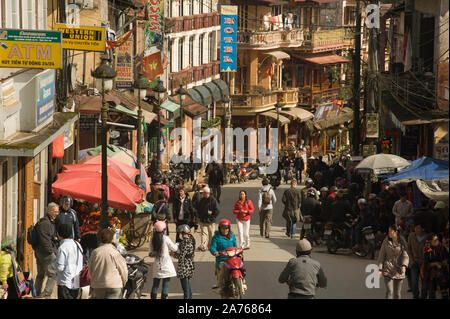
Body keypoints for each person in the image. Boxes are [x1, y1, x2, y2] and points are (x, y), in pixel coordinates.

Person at [88, 228, 128, 299]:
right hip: (114, 285)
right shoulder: (115, 252)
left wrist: (93, 283)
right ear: (112, 239)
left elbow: (90, 270)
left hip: (98, 286)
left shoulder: (95, 252)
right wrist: (124, 282)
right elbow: (123, 270)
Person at [34, 202, 60, 298]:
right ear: (49, 211)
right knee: (53, 274)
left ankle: (36, 293)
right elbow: (45, 240)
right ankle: (46, 293)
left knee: (41, 274)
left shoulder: (44, 222)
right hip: (45, 253)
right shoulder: (45, 223)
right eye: (55, 211)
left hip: (39, 251)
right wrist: (51, 252)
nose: (57, 213)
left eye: (57, 211)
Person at [377, 224, 409, 299]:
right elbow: (381, 256)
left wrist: (404, 266)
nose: (389, 233)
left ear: (396, 232)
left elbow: (405, 256)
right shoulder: (386, 241)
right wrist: (380, 269)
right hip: (388, 269)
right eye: (388, 231)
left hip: (399, 270)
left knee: (397, 294)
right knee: (389, 291)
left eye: (391, 231)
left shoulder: (402, 242)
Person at [149, 221, 179, 299]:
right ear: (163, 230)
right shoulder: (165, 238)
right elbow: (174, 248)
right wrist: (177, 244)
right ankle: (164, 297)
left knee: (155, 284)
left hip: (157, 265)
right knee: (166, 284)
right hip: (166, 264)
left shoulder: (152, 239)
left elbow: (150, 253)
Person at [54, 223, 83, 299]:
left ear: (59, 234)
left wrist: (54, 263)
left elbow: (60, 267)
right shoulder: (77, 244)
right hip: (77, 281)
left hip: (65, 282)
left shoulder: (62, 247)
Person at [209, 219, 239, 294]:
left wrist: (239, 252)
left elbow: (235, 246)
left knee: (240, 264)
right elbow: (212, 247)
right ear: (220, 229)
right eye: (223, 228)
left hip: (232, 257)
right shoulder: (216, 237)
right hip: (222, 259)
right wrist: (215, 252)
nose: (225, 230)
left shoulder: (232, 235)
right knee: (222, 270)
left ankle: (242, 282)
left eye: (226, 228)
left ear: (229, 228)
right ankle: (220, 286)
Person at [423, 234, 449, 299]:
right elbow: (426, 263)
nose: (437, 241)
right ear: (430, 242)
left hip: (442, 271)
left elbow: (447, 257)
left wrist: (445, 261)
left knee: (444, 291)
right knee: (432, 292)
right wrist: (434, 264)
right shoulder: (428, 249)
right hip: (432, 273)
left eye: (437, 239)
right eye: (435, 240)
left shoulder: (442, 247)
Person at [174, 224, 196, 299]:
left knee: (185, 289)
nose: (180, 235)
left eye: (181, 233)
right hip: (189, 266)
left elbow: (181, 256)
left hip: (184, 267)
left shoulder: (184, 242)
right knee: (188, 286)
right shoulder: (191, 240)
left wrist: (173, 254)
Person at [408, 223, 429, 299]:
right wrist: (411, 260)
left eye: (418, 228)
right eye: (415, 228)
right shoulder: (411, 236)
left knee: (424, 282)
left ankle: (423, 296)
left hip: (424, 262)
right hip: (414, 261)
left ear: (422, 229)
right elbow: (408, 249)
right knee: (414, 281)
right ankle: (415, 296)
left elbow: (428, 251)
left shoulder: (427, 238)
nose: (416, 229)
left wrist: (426, 261)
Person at [196, 186, 220, 251]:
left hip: (211, 221)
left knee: (211, 234)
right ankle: (203, 246)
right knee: (204, 233)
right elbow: (199, 209)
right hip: (203, 221)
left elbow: (217, 211)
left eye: (203, 193)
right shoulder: (202, 200)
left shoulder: (213, 200)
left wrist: (211, 218)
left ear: (207, 193)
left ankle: (210, 246)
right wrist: (199, 218)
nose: (202, 194)